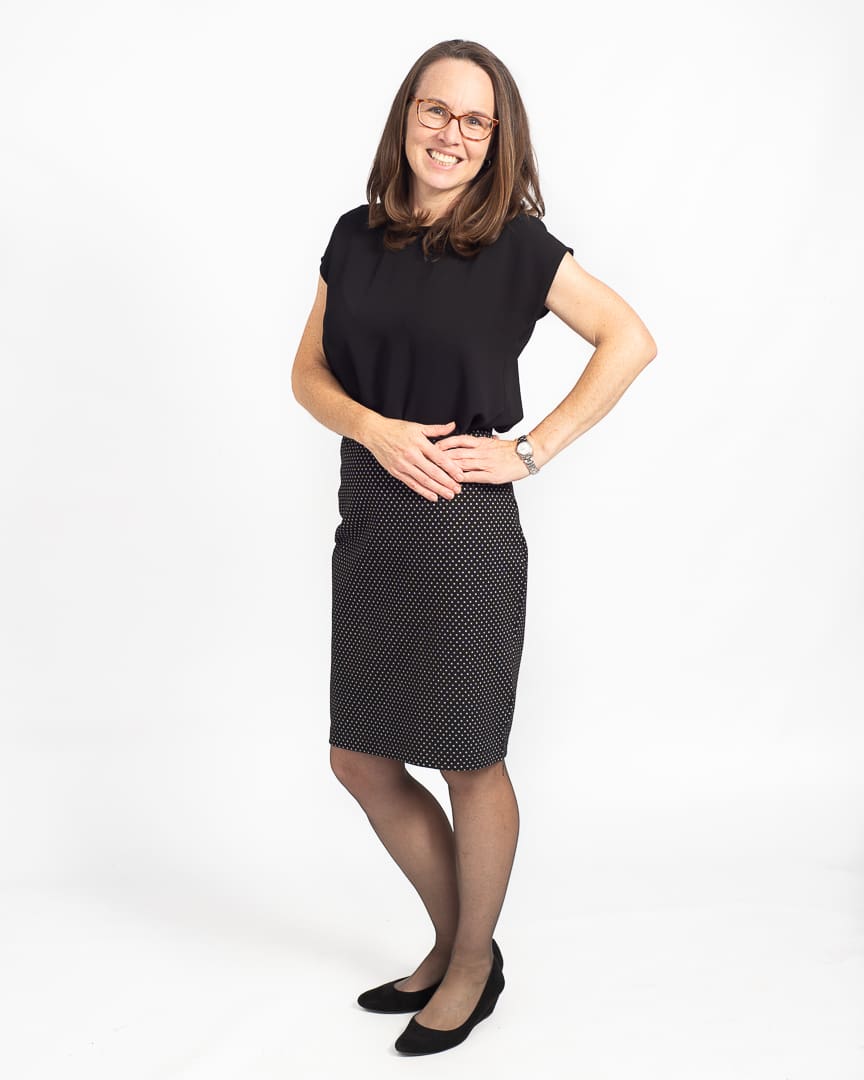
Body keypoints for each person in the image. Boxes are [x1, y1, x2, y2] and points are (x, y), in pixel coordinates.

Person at [291, 38, 657, 1056]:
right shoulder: (353, 236)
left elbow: (630, 338)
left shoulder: (518, 247)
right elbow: (308, 376)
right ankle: (464, 944)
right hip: (370, 513)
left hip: (461, 528)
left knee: (467, 755)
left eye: (474, 120)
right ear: (405, 116)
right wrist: (373, 427)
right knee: (359, 755)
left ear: (498, 140)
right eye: (435, 110)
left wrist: (533, 449)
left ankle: (467, 964)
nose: (450, 133)